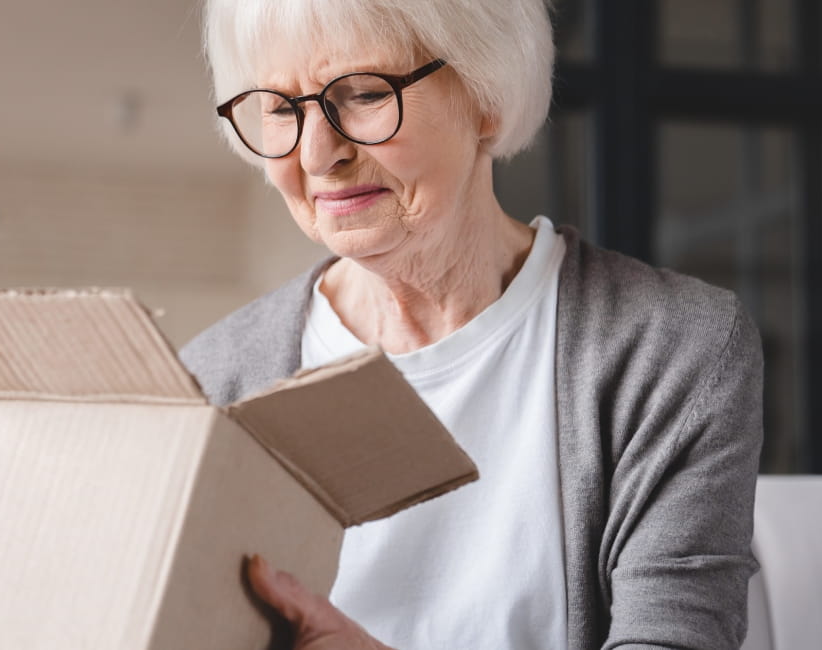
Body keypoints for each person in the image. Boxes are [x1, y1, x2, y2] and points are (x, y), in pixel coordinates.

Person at [180, 0, 764, 648]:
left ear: (486, 96)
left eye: (366, 93)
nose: (318, 154)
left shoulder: (674, 349)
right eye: (282, 109)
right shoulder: (209, 383)